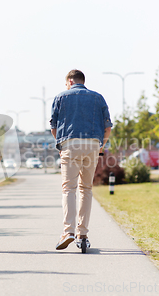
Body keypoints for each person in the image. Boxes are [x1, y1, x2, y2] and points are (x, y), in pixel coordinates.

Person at [50, 69, 112, 250]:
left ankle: (68, 231)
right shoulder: (98, 98)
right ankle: (82, 233)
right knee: (86, 188)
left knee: (69, 188)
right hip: (93, 144)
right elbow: (107, 127)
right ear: (82, 81)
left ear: (69, 81)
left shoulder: (61, 97)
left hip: (70, 144)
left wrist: (60, 145)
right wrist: (101, 146)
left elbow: (54, 127)